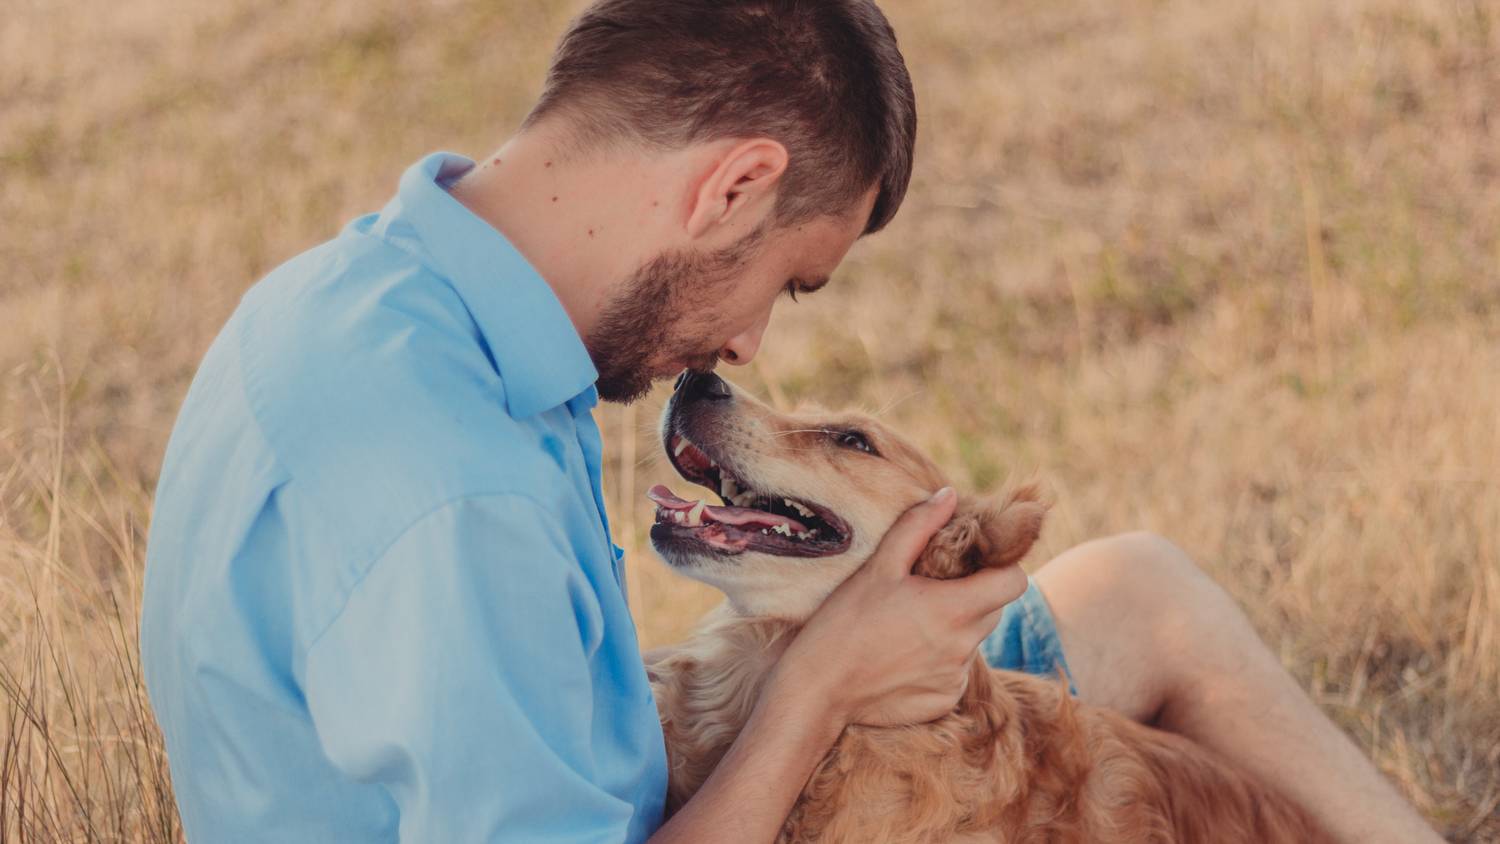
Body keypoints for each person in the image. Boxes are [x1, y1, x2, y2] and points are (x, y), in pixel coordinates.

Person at [139, 1, 1439, 841]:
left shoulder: (373, 296)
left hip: (653, 772)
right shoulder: (446, 490)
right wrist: (820, 686)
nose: (753, 344)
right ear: (736, 185)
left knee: (1140, 595)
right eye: (789, 278)